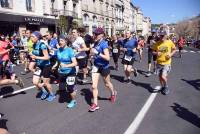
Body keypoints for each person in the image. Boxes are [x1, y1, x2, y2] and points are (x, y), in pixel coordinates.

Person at [89, 27, 117, 112]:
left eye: (97, 34)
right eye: (95, 34)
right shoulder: (95, 43)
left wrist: (97, 53)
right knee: (94, 86)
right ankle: (95, 104)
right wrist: (92, 55)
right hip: (96, 66)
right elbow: (93, 53)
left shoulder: (104, 44)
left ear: (101, 35)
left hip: (104, 66)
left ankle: (113, 93)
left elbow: (108, 58)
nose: (95, 35)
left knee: (107, 84)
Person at [53, 35, 78, 108]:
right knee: (62, 88)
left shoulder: (70, 50)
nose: (60, 42)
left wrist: (66, 66)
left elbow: (75, 63)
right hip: (62, 72)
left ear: (66, 41)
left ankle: (73, 101)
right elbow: (58, 60)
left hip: (70, 72)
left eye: (62, 41)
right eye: (59, 41)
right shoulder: (58, 50)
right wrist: (55, 65)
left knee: (70, 88)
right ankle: (72, 88)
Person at [30, 31, 55, 101]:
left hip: (46, 66)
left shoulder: (42, 45)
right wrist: (31, 54)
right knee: (35, 82)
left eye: (33, 37)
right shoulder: (34, 45)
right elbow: (35, 53)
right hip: (39, 65)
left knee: (46, 83)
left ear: (37, 38)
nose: (31, 38)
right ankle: (44, 91)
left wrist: (36, 57)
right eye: (31, 36)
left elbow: (47, 57)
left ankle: (51, 94)